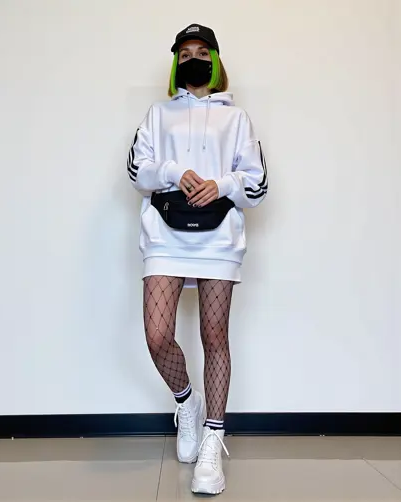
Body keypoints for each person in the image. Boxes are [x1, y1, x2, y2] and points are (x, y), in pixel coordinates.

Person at [127, 23, 267, 495]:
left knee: (214, 336)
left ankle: (212, 438)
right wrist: (174, 171)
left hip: (218, 239)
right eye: (184, 53)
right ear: (176, 63)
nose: (193, 59)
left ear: (215, 60)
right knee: (156, 334)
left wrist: (221, 184)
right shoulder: (158, 114)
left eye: (202, 52)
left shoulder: (237, 119)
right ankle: (186, 402)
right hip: (165, 234)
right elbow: (137, 171)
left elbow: (258, 185)